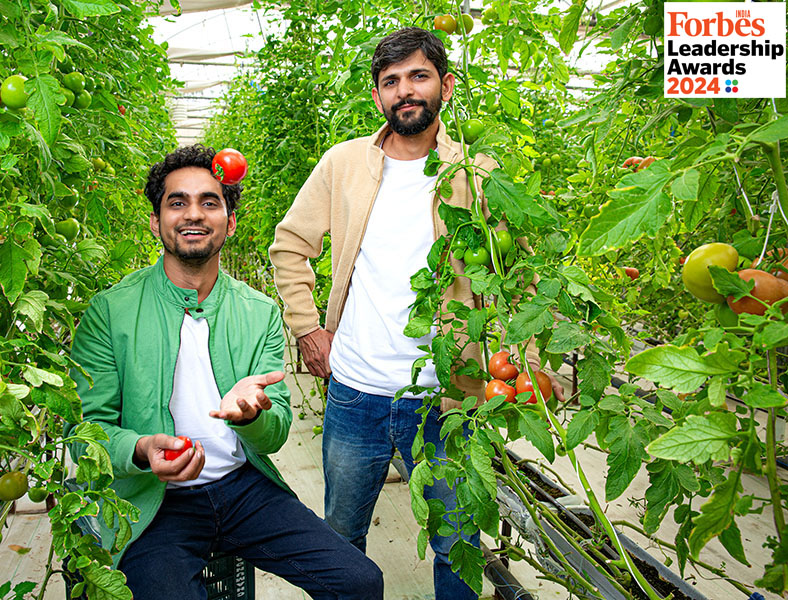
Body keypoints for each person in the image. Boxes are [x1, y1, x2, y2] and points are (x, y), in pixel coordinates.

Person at [269, 27, 563, 600]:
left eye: (418, 77)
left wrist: (527, 365)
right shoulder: (344, 164)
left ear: (445, 87)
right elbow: (289, 245)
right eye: (391, 81)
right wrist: (308, 330)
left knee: (458, 544)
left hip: (449, 401)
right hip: (355, 392)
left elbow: (515, 278)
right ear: (378, 96)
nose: (405, 91)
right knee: (341, 539)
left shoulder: (476, 174)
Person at [69, 144, 383, 600]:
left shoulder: (257, 312)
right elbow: (85, 432)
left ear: (229, 223)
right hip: (154, 503)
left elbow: (274, 434)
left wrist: (251, 416)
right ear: (156, 221)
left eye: (209, 202)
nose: (193, 214)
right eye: (177, 202)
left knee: (359, 581)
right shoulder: (111, 311)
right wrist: (141, 448)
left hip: (242, 491)